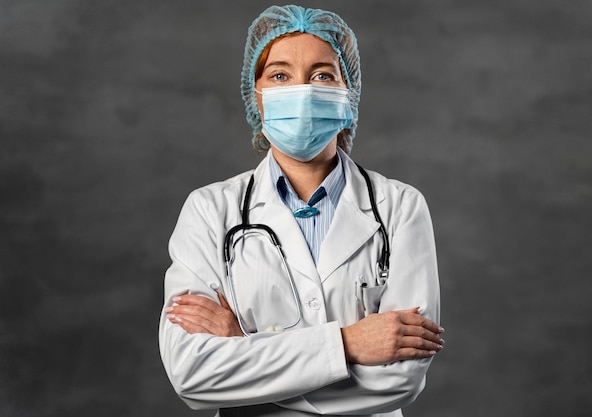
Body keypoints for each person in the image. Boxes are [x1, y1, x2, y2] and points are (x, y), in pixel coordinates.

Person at [159, 5, 444, 416]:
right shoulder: (208, 210)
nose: (303, 90)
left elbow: (399, 380)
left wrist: (244, 351)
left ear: (349, 91)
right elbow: (192, 374)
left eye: (323, 75)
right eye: (280, 75)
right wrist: (348, 344)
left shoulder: (399, 206)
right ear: (255, 93)